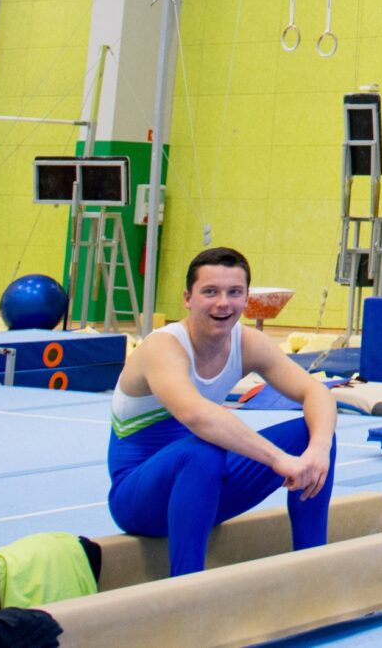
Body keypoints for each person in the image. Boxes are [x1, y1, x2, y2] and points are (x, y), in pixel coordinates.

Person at [105, 247, 335, 577]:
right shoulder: (163, 348)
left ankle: (311, 567)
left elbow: (315, 392)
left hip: (205, 490)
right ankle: (188, 585)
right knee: (203, 451)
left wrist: (319, 449)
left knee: (310, 434)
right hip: (140, 500)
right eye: (210, 292)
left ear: (245, 298)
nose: (223, 303)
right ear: (188, 298)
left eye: (234, 292)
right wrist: (276, 459)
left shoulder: (247, 343)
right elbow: (197, 415)